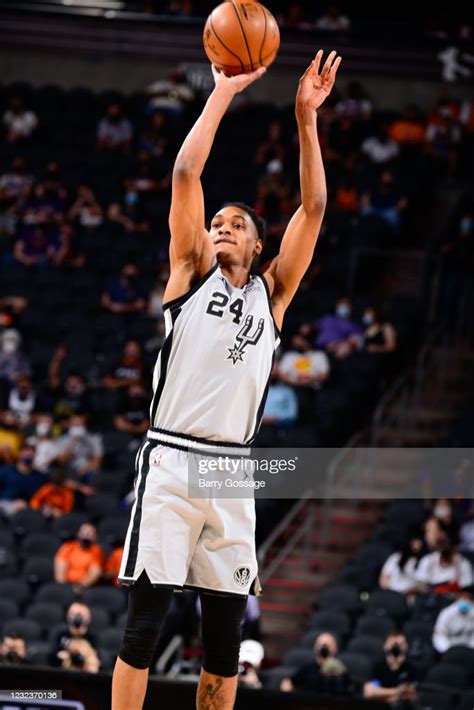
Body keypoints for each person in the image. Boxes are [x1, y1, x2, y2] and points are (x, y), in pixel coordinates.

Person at [111, 49, 342, 710]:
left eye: (233, 225)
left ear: (258, 247)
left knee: (223, 641)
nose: (218, 229)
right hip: (174, 458)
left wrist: (305, 119)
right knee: (144, 627)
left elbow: (316, 207)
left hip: (231, 471)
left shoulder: (272, 295)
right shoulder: (187, 274)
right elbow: (187, 171)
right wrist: (221, 93)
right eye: (215, 223)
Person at [280, 632, 351, 695]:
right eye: (320, 645)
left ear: (335, 649)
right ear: (315, 648)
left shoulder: (341, 671)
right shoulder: (308, 669)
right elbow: (289, 681)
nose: (323, 649)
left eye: (327, 646)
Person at [364, 631, 418, 706]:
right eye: (392, 644)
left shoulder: (411, 669)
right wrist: (398, 691)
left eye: (400, 644)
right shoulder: (377, 666)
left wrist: (381, 695)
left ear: (406, 646)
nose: (396, 647)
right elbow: (369, 692)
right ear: (385, 646)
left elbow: (411, 697)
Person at [54, 522, 104, 589]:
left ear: (95, 537)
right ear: (78, 534)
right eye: (84, 532)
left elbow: (93, 575)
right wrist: (64, 588)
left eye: (90, 534)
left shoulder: (97, 551)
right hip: (65, 585)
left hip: (85, 587)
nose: (86, 535)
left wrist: (79, 587)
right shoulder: (67, 547)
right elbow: (59, 574)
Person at [49, 601, 98, 666]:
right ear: (68, 616)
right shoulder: (60, 634)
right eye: (74, 614)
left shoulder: (93, 637)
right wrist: (59, 657)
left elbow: (99, 658)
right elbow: (51, 656)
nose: (78, 618)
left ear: (89, 618)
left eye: (82, 615)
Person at [432, 584, 474, 652]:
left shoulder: (472, 613)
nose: (466, 600)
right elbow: (438, 635)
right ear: (458, 597)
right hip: (448, 648)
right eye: (464, 597)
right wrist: (448, 650)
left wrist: (470, 650)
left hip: (468, 650)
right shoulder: (446, 612)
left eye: (470, 598)